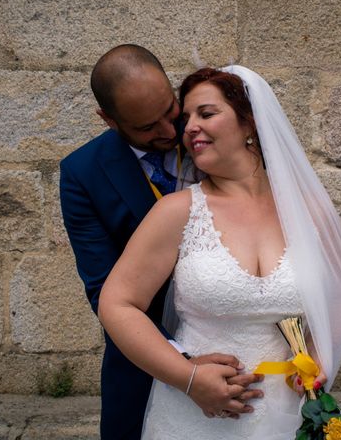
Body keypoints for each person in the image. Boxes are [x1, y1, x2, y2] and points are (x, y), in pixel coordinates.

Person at [98, 66, 341, 439]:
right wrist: (188, 378)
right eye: (186, 117)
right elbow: (117, 304)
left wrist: (320, 356)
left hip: (286, 411)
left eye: (205, 114)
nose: (187, 127)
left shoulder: (308, 211)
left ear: (249, 123)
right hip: (193, 417)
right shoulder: (177, 211)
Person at [60, 46, 263, 440]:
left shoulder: (214, 135)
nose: (170, 133)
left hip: (249, 369)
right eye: (146, 127)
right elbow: (105, 290)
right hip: (144, 368)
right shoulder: (82, 174)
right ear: (109, 120)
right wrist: (185, 368)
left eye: (169, 110)